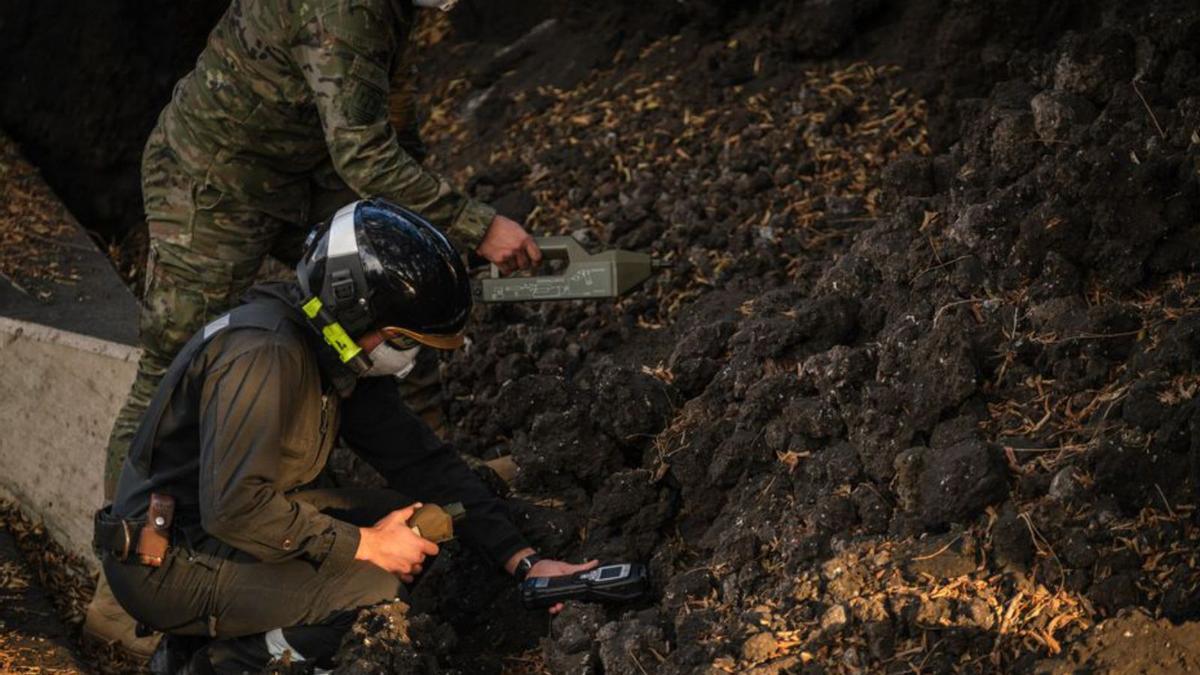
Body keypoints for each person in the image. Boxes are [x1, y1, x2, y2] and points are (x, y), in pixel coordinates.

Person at [88, 0, 542, 653]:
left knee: (397, 303)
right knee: (173, 361)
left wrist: (427, 236)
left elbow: (388, 116)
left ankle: (436, 481)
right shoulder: (345, 4)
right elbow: (363, 149)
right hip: (219, 171)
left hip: (306, 164)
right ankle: (128, 593)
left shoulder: (393, 10)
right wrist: (475, 223)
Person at [93, 199, 588, 674]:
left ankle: (216, 641)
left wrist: (525, 561)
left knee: (427, 521)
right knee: (371, 594)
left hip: (225, 531)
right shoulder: (263, 356)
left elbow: (422, 462)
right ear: (354, 308)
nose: (405, 357)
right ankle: (219, 665)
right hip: (170, 562)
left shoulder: (331, 351)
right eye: (400, 340)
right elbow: (233, 506)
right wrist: (364, 545)